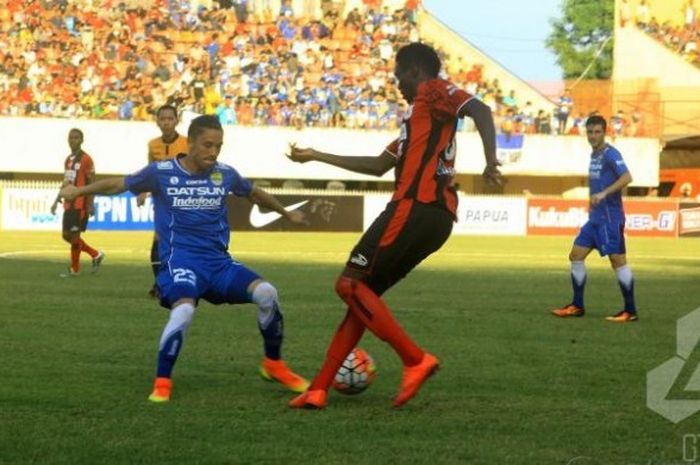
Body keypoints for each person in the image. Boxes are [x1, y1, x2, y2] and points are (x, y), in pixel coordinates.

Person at [286, 42, 502, 409]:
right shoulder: (416, 123)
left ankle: (415, 360)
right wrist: (316, 156)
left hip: (415, 207)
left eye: (398, 75)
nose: (396, 83)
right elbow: (376, 166)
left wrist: (491, 162)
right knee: (361, 297)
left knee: (349, 284)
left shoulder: (435, 91)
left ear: (415, 71)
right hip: (433, 216)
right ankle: (319, 388)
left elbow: (480, 110)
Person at [59, 115, 310, 402]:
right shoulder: (161, 172)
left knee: (268, 293)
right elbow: (119, 184)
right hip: (179, 264)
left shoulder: (224, 174)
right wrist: (78, 190)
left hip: (219, 265)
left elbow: (253, 192)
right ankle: (163, 381)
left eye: (218, 146)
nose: (213, 152)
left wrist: (286, 213)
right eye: (207, 145)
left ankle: (273, 364)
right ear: (190, 143)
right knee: (184, 309)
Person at [552, 115, 638, 323]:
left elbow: (627, 177)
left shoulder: (611, 154)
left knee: (618, 262)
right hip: (595, 220)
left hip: (610, 218)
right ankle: (577, 305)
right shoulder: (594, 155)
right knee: (575, 255)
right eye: (590, 132)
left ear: (604, 132)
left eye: (597, 131)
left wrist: (604, 193)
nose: (593, 135)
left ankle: (630, 310)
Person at [140, 105, 189, 298]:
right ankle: (160, 283)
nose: (166, 122)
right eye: (163, 119)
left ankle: (181, 281)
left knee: (182, 244)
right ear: (157, 121)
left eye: (170, 118)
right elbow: (150, 170)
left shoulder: (187, 143)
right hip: (162, 201)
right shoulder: (153, 145)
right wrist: (143, 190)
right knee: (158, 244)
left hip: (185, 201)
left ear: (176, 121)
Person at [50, 128, 104, 278]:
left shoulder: (86, 159)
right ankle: (95, 254)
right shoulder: (68, 160)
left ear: (81, 140)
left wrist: (90, 203)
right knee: (66, 235)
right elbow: (66, 182)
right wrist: (56, 200)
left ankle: (75, 269)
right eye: (71, 137)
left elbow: (92, 182)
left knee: (74, 236)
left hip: (80, 203)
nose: (72, 140)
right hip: (68, 204)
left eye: (76, 138)